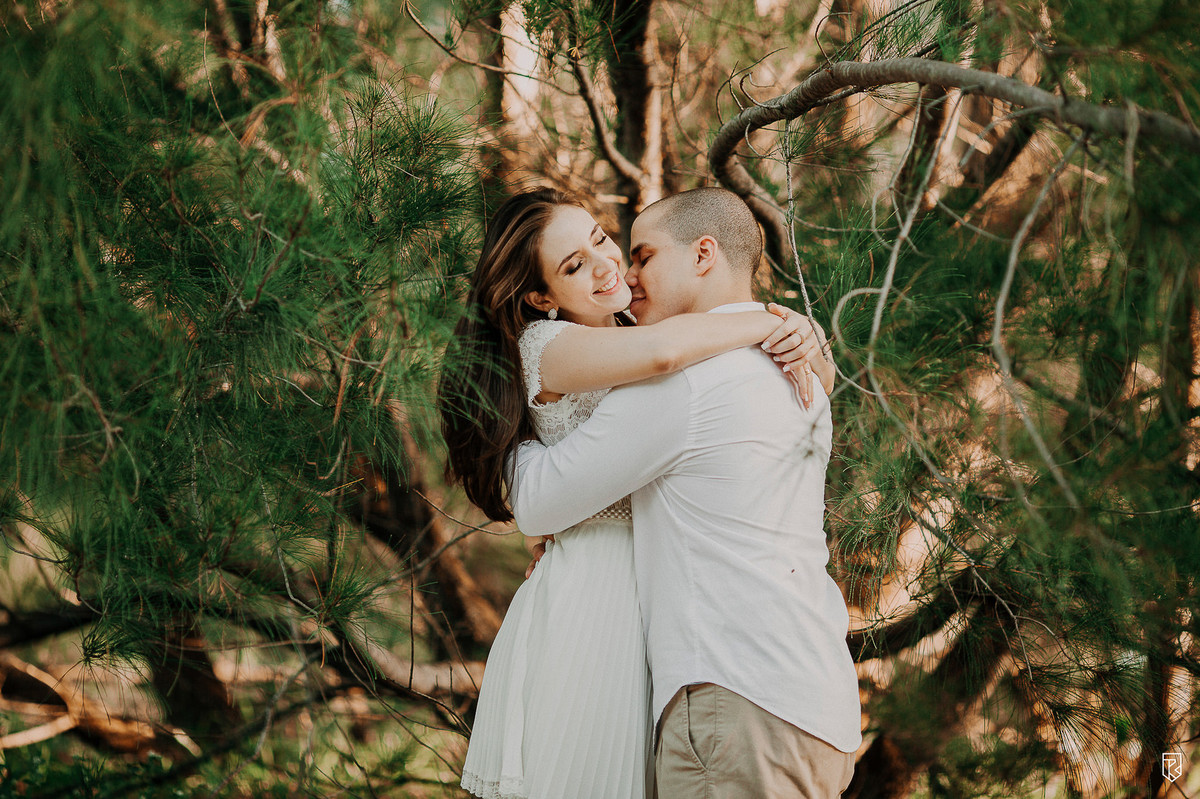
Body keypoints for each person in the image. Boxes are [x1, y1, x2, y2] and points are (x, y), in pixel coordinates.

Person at [439, 187, 831, 799]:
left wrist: (807, 339)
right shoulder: (548, 345)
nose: (606, 266)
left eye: (601, 239)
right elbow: (666, 355)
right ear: (541, 297)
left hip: (659, 609)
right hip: (594, 596)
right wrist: (772, 321)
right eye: (574, 266)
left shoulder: (639, 328)